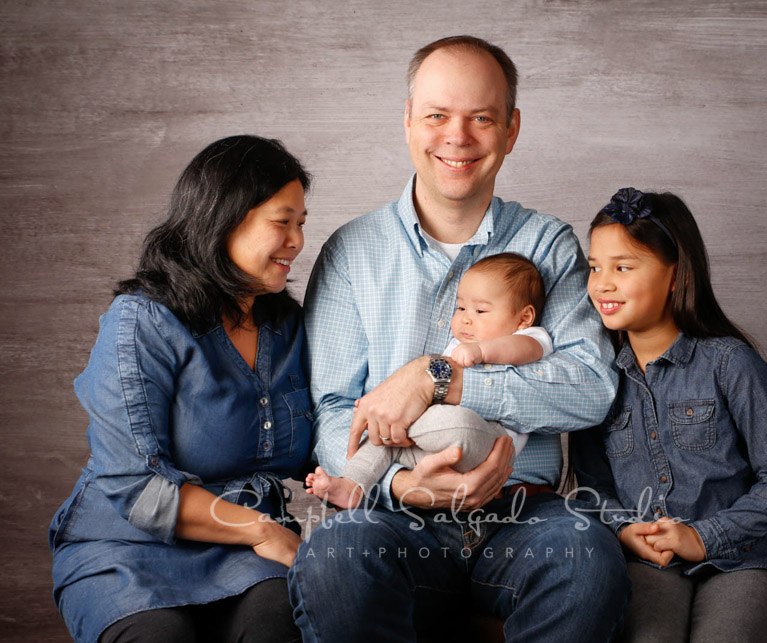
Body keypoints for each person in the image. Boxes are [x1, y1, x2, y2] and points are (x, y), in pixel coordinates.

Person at [290, 36, 629, 641]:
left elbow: (591, 387)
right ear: (408, 122)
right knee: (333, 558)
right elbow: (330, 411)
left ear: (512, 128)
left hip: (526, 514)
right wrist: (401, 485)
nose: (458, 136)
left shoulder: (549, 246)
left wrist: (441, 377)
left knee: (586, 558)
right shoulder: (352, 252)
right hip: (393, 518)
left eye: (482, 117)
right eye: (437, 115)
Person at [49, 135, 312, 643]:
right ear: (224, 218)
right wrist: (262, 529)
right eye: (282, 221)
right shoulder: (142, 320)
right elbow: (136, 487)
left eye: (301, 223)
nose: (298, 240)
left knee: (281, 624)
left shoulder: (288, 326)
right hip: (125, 549)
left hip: (246, 559)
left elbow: (324, 440)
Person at [571, 188, 767, 641]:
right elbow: (591, 488)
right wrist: (624, 530)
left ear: (676, 276)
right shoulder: (596, 380)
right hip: (648, 562)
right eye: (595, 267)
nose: (602, 283)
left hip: (742, 557)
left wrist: (704, 537)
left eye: (623, 267)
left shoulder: (729, 363)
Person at [304, 252, 552, 509]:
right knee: (384, 443)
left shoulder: (530, 337)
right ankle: (351, 486)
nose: (466, 318)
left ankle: (385, 422)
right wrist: (388, 413)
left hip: (487, 443)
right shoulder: (461, 342)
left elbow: (523, 349)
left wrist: (482, 352)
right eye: (461, 308)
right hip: (430, 451)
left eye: (480, 310)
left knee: (455, 424)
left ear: (524, 318)